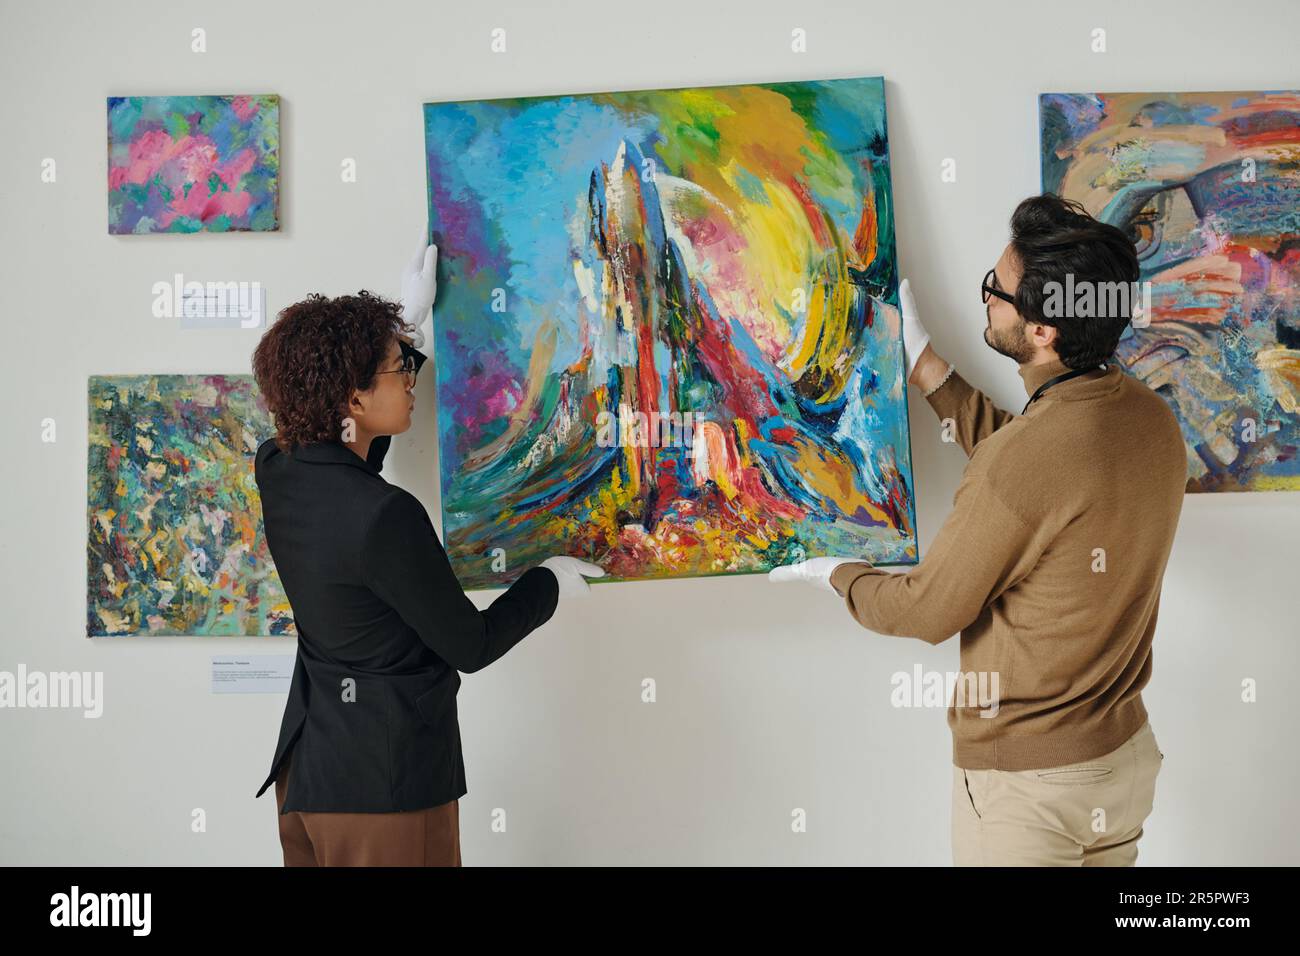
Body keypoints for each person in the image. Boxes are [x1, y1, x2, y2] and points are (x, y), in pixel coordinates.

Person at [771, 194, 1186, 866]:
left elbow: (928, 608)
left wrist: (837, 574)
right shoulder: (1146, 417)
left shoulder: (1027, 460)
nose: (986, 297)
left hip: (1031, 790)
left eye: (997, 289)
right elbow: (1040, 477)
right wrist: (924, 364)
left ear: (1044, 330)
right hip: (1121, 763)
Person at [250, 236, 603, 866]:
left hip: (308, 777)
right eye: (399, 368)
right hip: (385, 793)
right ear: (354, 399)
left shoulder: (277, 468)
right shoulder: (385, 516)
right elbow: (471, 644)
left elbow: (350, 455)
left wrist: (406, 325)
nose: (413, 378)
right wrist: (547, 580)